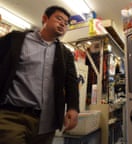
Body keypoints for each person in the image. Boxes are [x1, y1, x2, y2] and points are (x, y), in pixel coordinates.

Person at [0, 5, 79, 144]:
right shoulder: (16, 40)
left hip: (46, 122)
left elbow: (71, 82)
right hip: (12, 117)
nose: (63, 23)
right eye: (59, 18)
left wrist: (73, 108)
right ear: (45, 19)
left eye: (66, 23)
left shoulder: (65, 54)